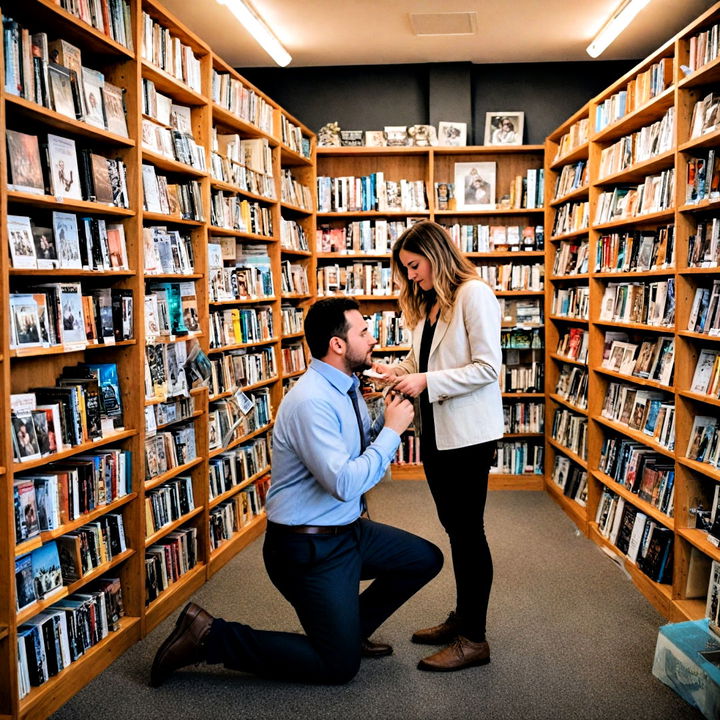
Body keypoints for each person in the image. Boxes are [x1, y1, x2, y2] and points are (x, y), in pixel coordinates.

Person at [150, 297, 443, 687]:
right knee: (338, 668)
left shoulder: (348, 385)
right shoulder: (310, 401)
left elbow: (351, 454)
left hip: (346, 532)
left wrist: (381, 426)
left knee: (424, 559)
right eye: (363, 332)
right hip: (308, 549)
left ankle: (348, 631)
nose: (373, 339)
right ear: (338, 345)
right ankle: (209, 636)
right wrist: (391, 432)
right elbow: (343, 484)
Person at [372, 219, 503, 672]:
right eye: (405, 269)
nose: (410, 276)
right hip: (436, 433)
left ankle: (474, 639)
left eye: (414, 265)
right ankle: (464, 617)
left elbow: (488, 367)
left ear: (437, 255)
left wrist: (425, 380)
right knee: (456, 528)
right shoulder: (429, 303)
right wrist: (396, 371)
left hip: (467, 436)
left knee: (468, 533)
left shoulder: (474, 294)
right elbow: (421, 360)